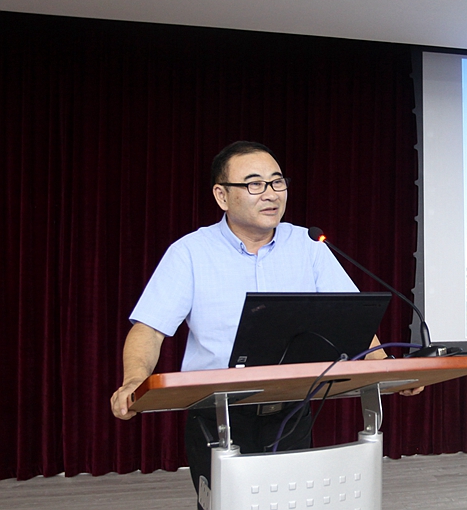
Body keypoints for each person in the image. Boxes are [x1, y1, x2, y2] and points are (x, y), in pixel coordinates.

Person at [110, 141, 421, 506]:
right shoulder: (190, 253)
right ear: (222, 196)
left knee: (292, 502)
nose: (271, 194)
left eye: (277, 182)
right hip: (218, 413)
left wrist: (386, 368)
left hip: (291, 410)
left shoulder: (308, 244)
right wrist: (134, 379)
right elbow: (149, 329)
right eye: (255, 184)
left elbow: (351, 319)